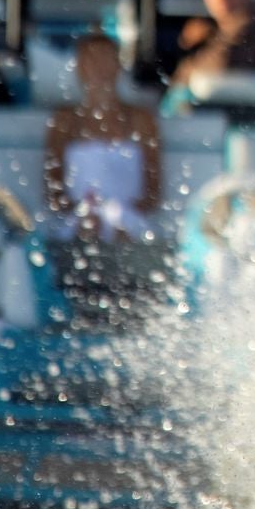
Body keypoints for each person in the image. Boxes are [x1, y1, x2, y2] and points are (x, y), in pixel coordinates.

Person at [44, 33, 164, 320]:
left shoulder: (141, 119)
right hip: (79, 218)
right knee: (83, 238)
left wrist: (118, 217)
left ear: (118, 67)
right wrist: (86, 216)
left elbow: (152, 192)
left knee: (124, 240)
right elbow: (53, 191)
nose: (98, 68)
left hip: (130, 219)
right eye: (90, 60)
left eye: (105, 60)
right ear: (78, 68)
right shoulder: (64, 121)